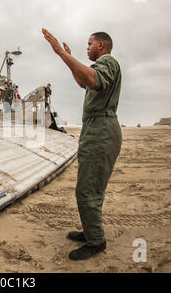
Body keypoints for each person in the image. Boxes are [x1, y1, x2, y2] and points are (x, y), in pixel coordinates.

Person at [42, 28, 122, 261]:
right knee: (89, 185)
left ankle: (96, 241)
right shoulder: (101, 65)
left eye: (90, 44)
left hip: (102, 131)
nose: (87, 48)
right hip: (96, 128)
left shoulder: (108, 61)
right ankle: (90, 231)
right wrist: (69, 60)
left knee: (88, 190)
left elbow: (92, 79)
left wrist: (60, 53)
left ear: (101, 46)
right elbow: (83, 81)